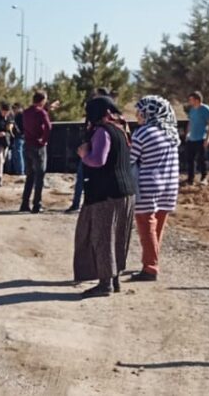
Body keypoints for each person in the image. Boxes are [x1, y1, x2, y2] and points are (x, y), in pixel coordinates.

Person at [73, 96, 137, 298]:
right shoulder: (120, 129)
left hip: (106, 194)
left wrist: (83, 154)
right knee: (118, 236)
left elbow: (98, 160)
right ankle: (115, 279)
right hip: (125, 192)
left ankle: (105, 284)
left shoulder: (102, 132)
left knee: (102, 237)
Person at [130, 96, 181, 282]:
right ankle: (151, 261)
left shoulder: (142, 133)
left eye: (140, 111)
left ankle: (150, 267)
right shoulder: (171, 133)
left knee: (146, 226)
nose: (137, 115)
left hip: (148, 185)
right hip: (169, 185)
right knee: (157, 226)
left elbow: (130, 159)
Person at [67, 87, 113, 214]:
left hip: (97, 152)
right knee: (81, 177)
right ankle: (77, 203)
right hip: (88, 149)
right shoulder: (92, 115)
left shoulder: (106, 122)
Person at [20, 91, 53, 214]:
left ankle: (24, 203)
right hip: (38, 146)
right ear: (42, 100)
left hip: (27, 144)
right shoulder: (41, 112)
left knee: (30, 175)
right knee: (40, 175)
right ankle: (36, 204)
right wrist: (44, 140)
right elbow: (49, 127)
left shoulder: (26, 112)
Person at [184, 91, 209, 186]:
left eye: (191, 99)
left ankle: (204, 177)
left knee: (202, 159)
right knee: (190, 159)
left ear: (197, 100)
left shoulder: (205, 109)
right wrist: (187, 134)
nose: (189, 101)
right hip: (192, 138)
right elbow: (190, 122)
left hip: (201, 138)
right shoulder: (192, 110)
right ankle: (190, 179)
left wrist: (208, 138)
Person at [10, 103, 25, 176]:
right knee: (18, 153)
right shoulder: (20, 115)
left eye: (14, 108)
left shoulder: (19, 115)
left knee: (19, 153)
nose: (13, 110)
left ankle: (20, 171)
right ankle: (19, 170)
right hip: (21, 136)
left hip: (20, 136)